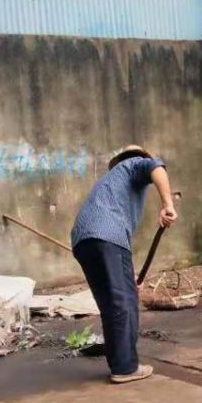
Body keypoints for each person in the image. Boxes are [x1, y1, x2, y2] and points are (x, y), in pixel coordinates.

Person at [70, 145, 178, 384]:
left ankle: (120, 363)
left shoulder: (109, 183)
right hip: (107, 234)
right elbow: (156, 167)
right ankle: (125, 367)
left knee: (111, 302)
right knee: (124, 302)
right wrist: (167, 204)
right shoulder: (133, 165)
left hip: (81, 240)